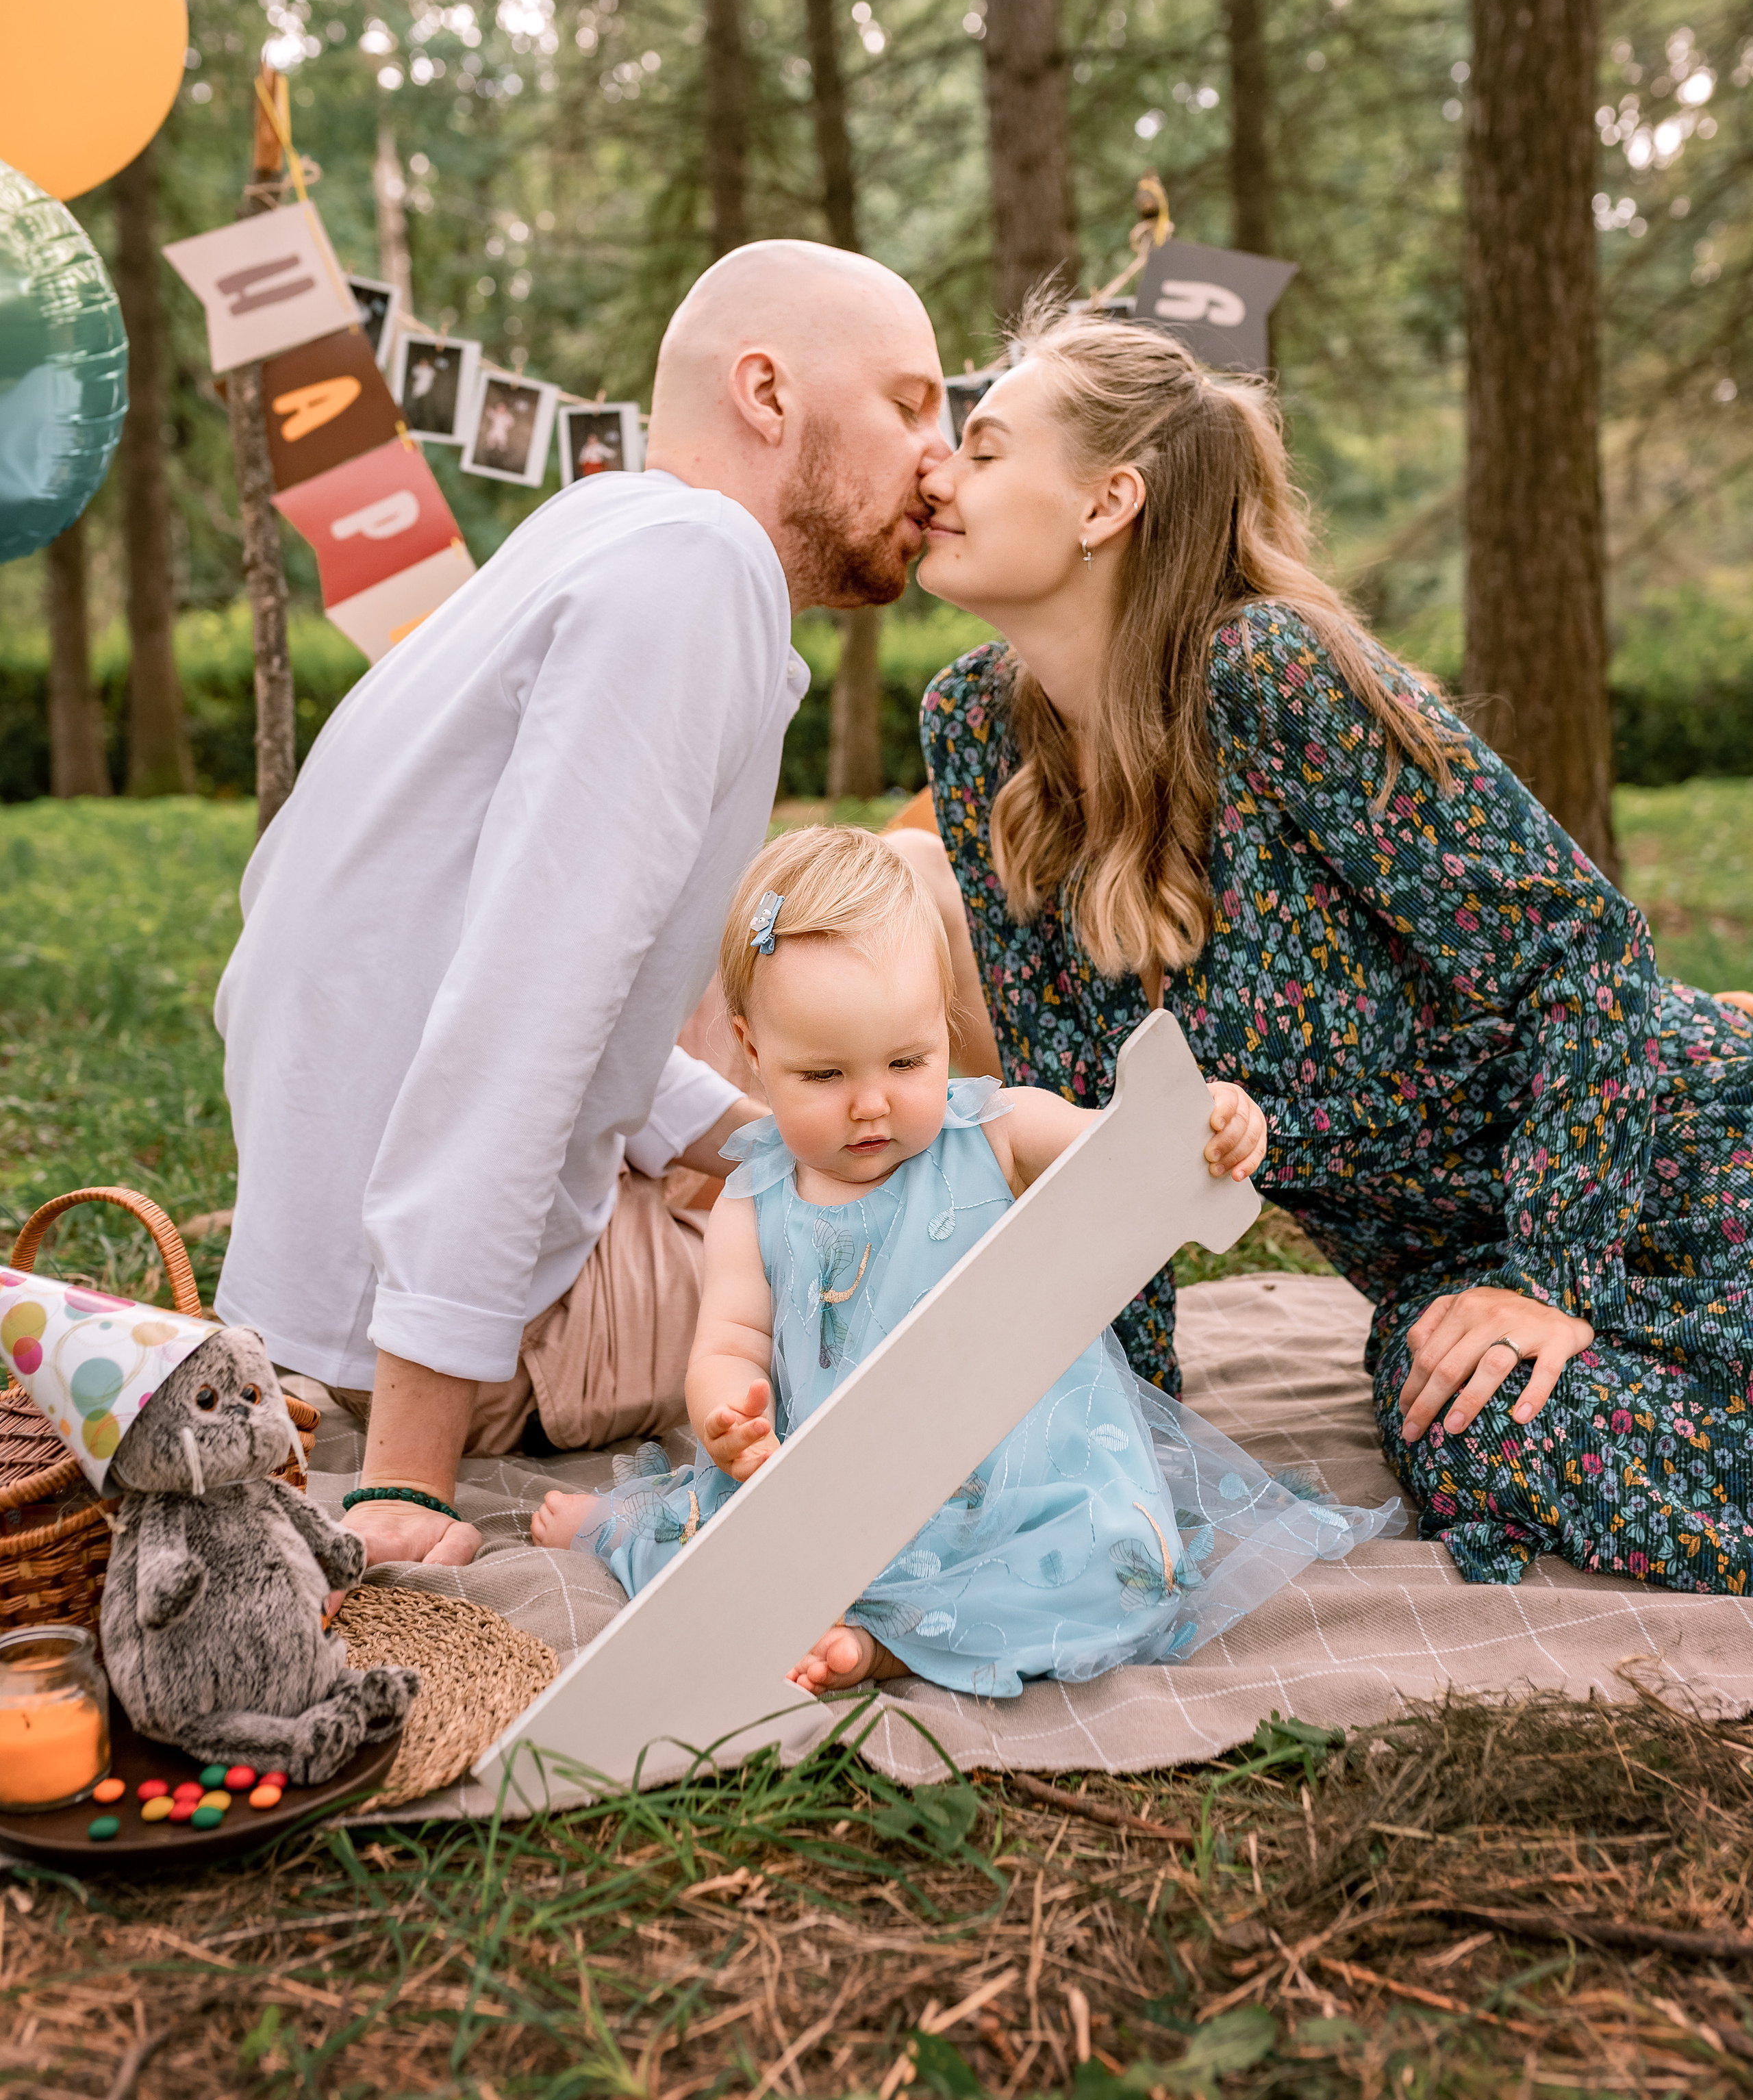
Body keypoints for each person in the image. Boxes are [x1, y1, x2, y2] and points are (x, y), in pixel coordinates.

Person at [903, 300, 1753, 1593]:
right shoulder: (975, 729)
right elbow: (1087, 1124)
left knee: (1498, 1372)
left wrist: (1549, 1277)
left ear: (1104, 502)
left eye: (983, 444)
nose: (934, 472)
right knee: (1458, 1425)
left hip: (1664, 1161)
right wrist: (1116, 1443)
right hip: (1443, 1278)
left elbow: (1582, 951)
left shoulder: (1269, 674)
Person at [214, 240, 950, 1567]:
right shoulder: (696, 575)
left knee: (836, 1112)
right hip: (428, 1336)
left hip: (330, 1269)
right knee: (938, 1230)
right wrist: (407, 1483)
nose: (940, 460)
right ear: (766, 394)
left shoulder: (602, 533)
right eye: (909, 404)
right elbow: (522, 1009)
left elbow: (495, 961)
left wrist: (735, 1136)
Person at [532, 828, 1398, 1693]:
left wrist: (1211, 1118)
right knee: (717, 1561)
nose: (871, 1103)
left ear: (944, 1024)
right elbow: (726, 1342)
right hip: (844, 1481)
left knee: (1127, 1563)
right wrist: (731, 1418)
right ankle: (621, 1527)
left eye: (906, 1061)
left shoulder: (995, 1132)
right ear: (753, 1052)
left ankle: (889, 1647)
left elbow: (1129, 1149)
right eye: (824, 1075)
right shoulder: (753, 1204)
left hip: (1025, 1473)